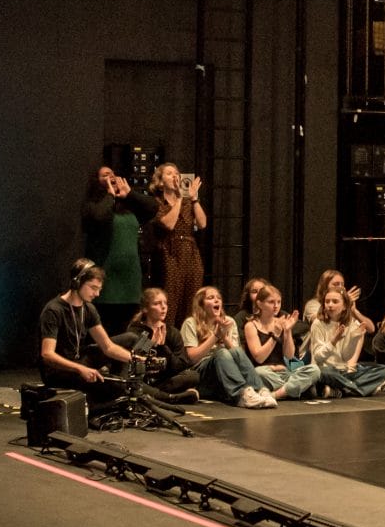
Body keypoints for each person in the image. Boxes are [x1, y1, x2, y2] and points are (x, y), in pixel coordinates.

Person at [39, 262, 138, 402]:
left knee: (131, 339)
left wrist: (137, 360)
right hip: (59, 371)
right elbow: (47, 354)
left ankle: (121, 384)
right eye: (93, 288)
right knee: (118, 388)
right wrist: (80, 369)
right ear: (77, 283)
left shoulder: (89, 309)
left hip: (80, 360)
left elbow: (108, 347)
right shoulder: (54, 310)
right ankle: (115, 394)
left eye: (99, 289)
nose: (97, 294)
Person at [82, 168, 162, 337]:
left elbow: (153, 207)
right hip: (106, 279)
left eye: (112, 174)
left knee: (128, 329)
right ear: (96, 182)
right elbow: (98, 217)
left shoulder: (129, 207)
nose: (110, 177)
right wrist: (110, 196)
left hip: (129, 280)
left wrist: (131, 194)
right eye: (104, 175)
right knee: (105, 329)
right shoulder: (93, 206)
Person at [179, 286, 279, 409]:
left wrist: (225, 337)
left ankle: (261, 390)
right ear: (201, 304)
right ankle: (240, 395)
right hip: (201, 374)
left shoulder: (228, 321)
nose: (216, 300)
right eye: (211, 298)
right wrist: (215, 336)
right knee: (222, 353)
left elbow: (236, 353)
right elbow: (191, 358)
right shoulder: (191, 323)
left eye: (218, 298)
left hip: (225, 372)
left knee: (234, 351)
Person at [297, 287, 385, 400]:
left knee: (382, 370)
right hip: (325, 370)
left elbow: (345, 356)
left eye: (335, 302)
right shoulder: (318, 324)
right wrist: (333, 341)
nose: (330, 305)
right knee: (323, 371)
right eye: (327, 301)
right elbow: (318, 358)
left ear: (344, 306)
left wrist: (355, 339)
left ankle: (341, 391)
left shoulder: (350, 323)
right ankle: (353, 388)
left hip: (343, 372)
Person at [147, 164, 209, 326]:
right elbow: (169, 224)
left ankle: (186, 339)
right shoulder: (156, 203)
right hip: (170, 251)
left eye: (177, 173)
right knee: (171, 297)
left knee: (191, 297)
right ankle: (165, 339)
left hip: (190, 251)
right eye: (169, 174)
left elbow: (202, 224)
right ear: (160, 182)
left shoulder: (189, 202)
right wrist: (180, 198)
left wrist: (194, 199)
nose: (175, 176)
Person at [239, 279, 315, 400]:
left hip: (284, 373)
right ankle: (295, 389)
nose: (276, 306)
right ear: (259, 303)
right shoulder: (251, 325)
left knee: (314, 370)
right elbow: (259, 357)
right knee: (259, 373)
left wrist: (288, 331)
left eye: (279, 302)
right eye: (271, 302)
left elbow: (289, 356)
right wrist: (275, 334)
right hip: (264, 372)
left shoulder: (281, 322)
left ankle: (276, 394)